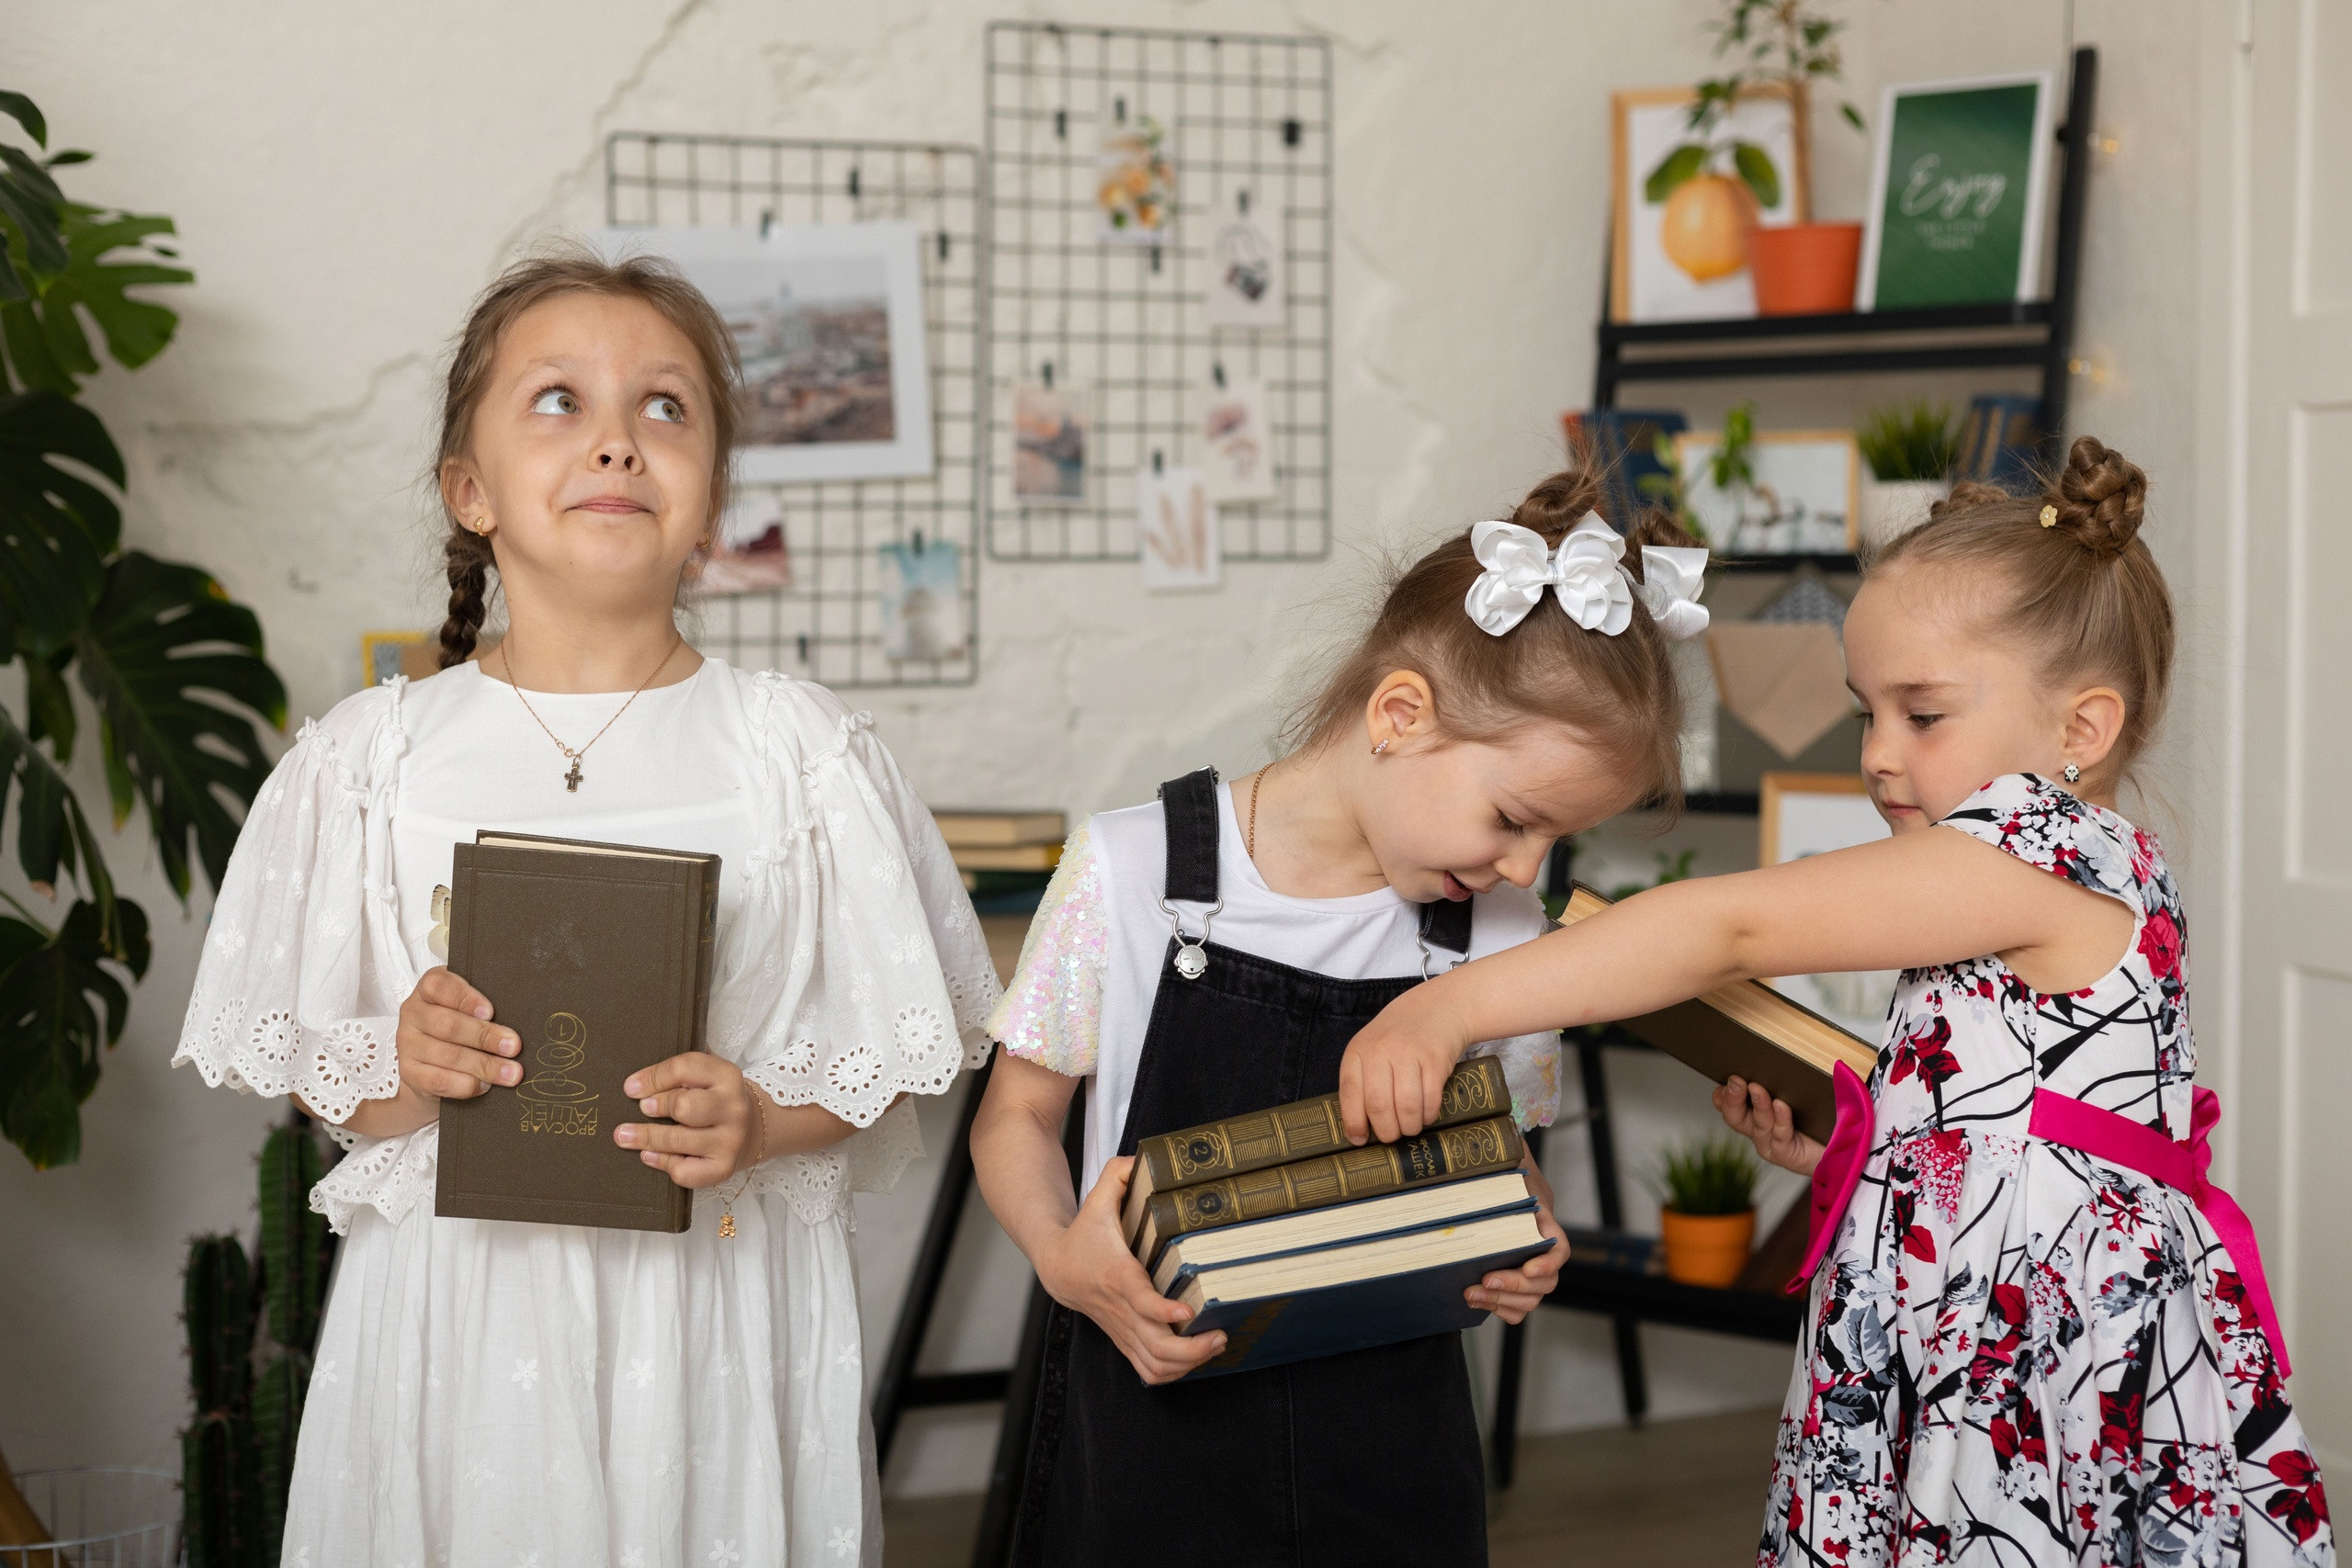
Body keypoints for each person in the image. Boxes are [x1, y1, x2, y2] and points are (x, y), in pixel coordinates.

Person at [1344, 439, 2335, 1567]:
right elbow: (2013, 1136)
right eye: (1867, 713)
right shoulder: (2043, 873)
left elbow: (1728, 927)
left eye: (1922, 715)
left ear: (2081, 732)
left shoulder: (2041, 852)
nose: (1876, 755)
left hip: (2028, 1352)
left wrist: (1449, 1008)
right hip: (1973, 1312)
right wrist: (1855, 1158)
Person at [170, 248, 1000, 1566]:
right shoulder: (369, 761)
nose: (616, 440)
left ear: (711, 502)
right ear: (471, 490)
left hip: (716, 1306)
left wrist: (762, 1116)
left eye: (664, 406)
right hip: (462, 1318)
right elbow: (334, 1081)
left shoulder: (802, 754)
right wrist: (407, 1064)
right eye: (559, 400)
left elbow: (882, 1054)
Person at [968, 469, 1713, 1565]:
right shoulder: (1130, 870)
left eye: (1557, 842)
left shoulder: (1501, 934)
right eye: (1513, 820)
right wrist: (1058, 1253)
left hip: (1389, 1437)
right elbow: (1016, 1119)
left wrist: (1527, 1235)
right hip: (1149, 1411)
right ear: (1398, 717)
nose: (1525, 868)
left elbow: (1501, 1156)